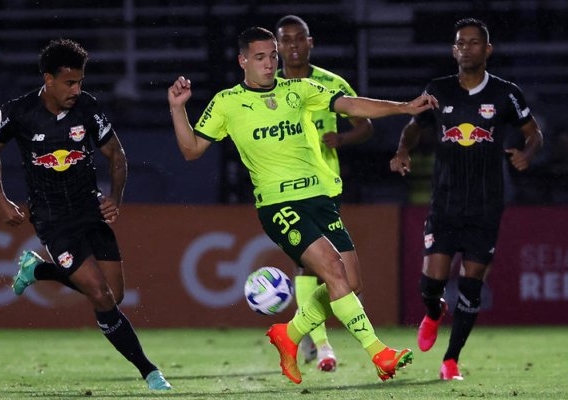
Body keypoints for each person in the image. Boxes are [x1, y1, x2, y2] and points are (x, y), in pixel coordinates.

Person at [168, 26, 437, 384]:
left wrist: (402, 107)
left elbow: (350, 105)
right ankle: (379, 353)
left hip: (319, 199)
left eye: (272, 56)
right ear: (243, 60)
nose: (269, 64)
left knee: (352, 281)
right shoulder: (227, 102)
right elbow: (191, 150)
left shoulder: (299, 90)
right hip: (279, 204)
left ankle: (290, 335)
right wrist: (177, 109)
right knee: (333, 270)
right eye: (260, 57)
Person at [0, 38, 171, 391]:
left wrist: (116, 197)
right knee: (100, 295)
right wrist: (0, 199)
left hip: (90, 208)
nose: (76, 89)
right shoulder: (17, 112)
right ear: (48, 79)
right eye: (69, 82)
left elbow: (116, 154)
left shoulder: (87, 108)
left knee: (115, 295)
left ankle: (37, 269)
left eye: (80, 81)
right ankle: (149, 371)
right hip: (52, 219)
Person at [389, 18, 543, 380]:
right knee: (431, 285)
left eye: (475, 43)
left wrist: (528, 154)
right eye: (461, 43)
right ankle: (433, 311)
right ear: (453, 49)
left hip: (486, 205)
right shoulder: (438, 90)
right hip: (444, 202)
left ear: (487, 50)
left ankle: (451, 360)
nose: (467, 48)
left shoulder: (506, 93)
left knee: (472, 286)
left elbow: (533, 133)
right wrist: (402, 150)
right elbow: (413, 125)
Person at [274, 14, 374, 372]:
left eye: (299, 39)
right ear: (277, 46)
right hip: (286, 189)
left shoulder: (331, 83)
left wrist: (343, 138)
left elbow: (364, 125)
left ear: (310, 42)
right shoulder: (268, 87)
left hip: (326, 187)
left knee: (342, 277)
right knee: (305, 264)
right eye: (285, 40)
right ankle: (322, 345)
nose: (293, 46)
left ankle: (301, 335)